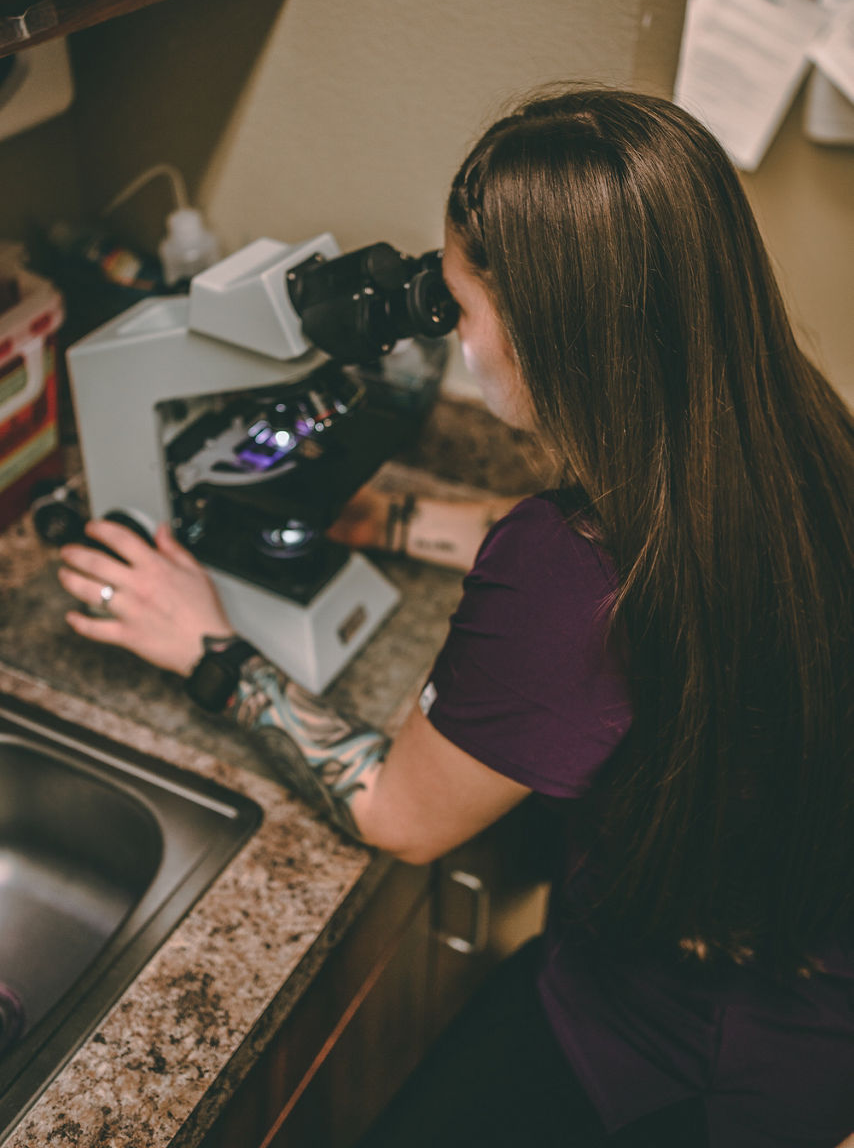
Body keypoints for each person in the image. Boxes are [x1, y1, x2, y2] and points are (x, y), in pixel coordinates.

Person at [56, 89, 854, 1148]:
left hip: (668, 1053)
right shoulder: (791, 418)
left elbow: (399, 812)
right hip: (812, 1015)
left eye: (460, 303)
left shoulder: (560, 569)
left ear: (549, 331)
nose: (453, 334)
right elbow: (657, 547)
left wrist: (206, 646)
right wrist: (391, 513)